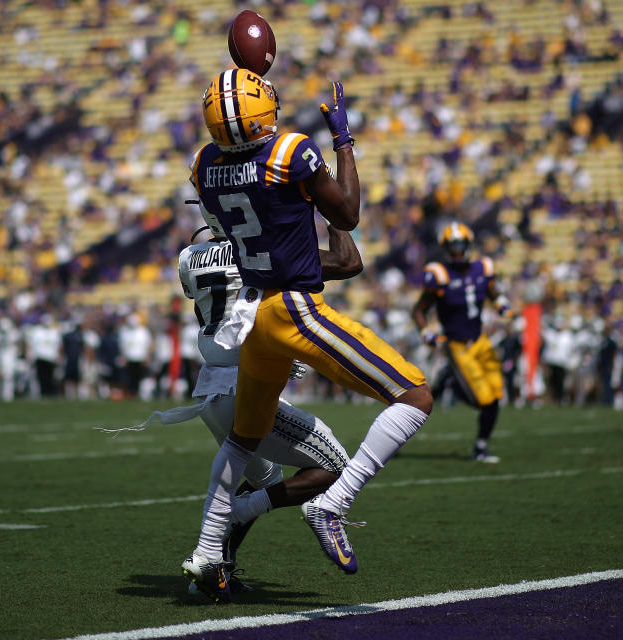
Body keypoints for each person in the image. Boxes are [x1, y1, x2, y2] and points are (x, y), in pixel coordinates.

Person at [181, 71, 434, 602]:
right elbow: (347, 214)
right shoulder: (290, 151)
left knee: (240, 442)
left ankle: (208, 549)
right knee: (414, 395)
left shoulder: (204, 167)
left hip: (255, 329)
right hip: (294, 309)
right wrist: (342, 142)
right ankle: (333, 503)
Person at [113, 220, 361, 596]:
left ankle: (216, 570)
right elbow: (347, 262)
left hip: (211, 387)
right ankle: (237, 514)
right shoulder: (261, 251)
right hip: (245, 386)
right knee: (336, 467)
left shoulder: (189, 257)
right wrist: (331, 217)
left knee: (267, 478)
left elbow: (209, 312)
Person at [411, 222, 513, 463]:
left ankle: (481, 447)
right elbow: (419, 310)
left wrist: (501, 303)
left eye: (460, 245)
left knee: (496, 396)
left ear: (469, 245)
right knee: (482, 399)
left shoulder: (483, 268)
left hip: (481, 341)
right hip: (457, 345)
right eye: (452, 246)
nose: (457, 251)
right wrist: (426, 331)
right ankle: (452, 384)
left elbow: (492, 290)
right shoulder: (439, 274)